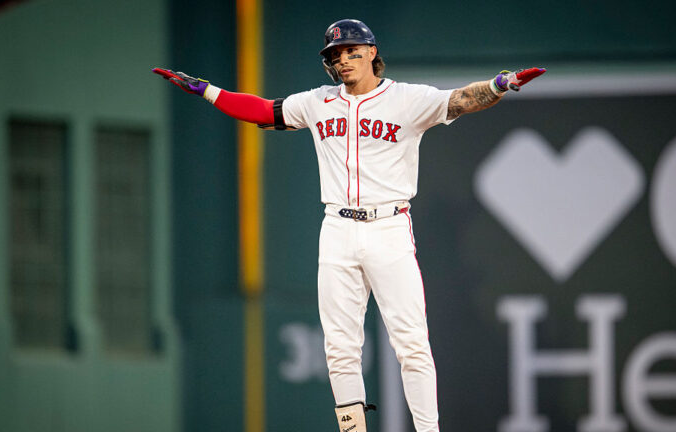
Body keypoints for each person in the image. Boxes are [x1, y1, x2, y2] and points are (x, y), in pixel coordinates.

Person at [154, 18, 544, 432]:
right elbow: (263, 110)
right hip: (337, 228)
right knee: (340, 347)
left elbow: (461, 100)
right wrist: (207, 90)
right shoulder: (318, 101)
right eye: (335, 55)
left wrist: (499, 86)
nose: (343, 59)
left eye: (352, 50)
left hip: (389, 226)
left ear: (373, 52)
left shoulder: (408, 99)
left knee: (411, 344)